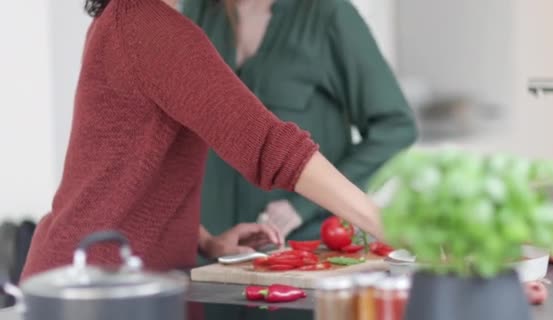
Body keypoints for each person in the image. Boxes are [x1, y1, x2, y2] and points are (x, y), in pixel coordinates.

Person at [20, 0, 384, 280]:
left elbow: (129, 171)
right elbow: (269, 145)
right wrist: (389, 225)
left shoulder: (124, 19)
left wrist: (206, 240)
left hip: (101, 276)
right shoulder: (149, 28)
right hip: (100, 287)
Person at [182, 0, 417, 241]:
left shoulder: (329, 14)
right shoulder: (192, 13)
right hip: (207, 253)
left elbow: (396, 127)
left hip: (305, 247)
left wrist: (304, 205)